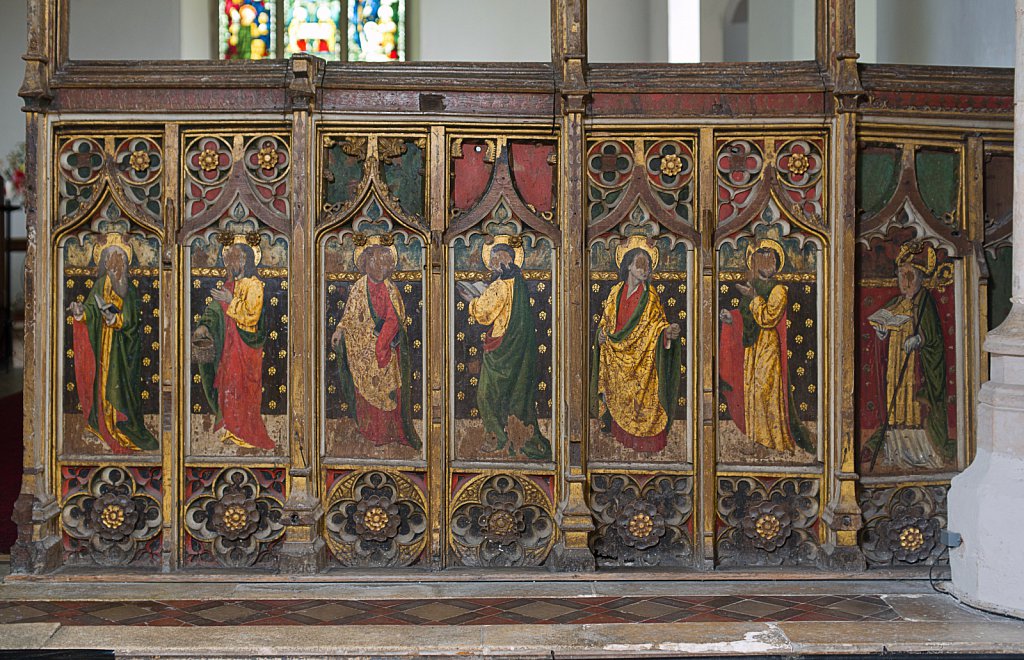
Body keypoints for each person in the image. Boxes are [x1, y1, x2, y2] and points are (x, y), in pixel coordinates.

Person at [458, 235, 551, 460]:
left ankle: (498, 438)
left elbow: (483, 313)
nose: (492, 264)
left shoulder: (500, 286)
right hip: (518, 349)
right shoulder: (518, 284)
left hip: (501, 349)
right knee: (515, 394)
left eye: (495, 260)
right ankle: (517, 437)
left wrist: (470, 300)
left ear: (504, 262)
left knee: (486, 395)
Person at [719, 238, 813, 453]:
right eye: (764, 257)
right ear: (755, 261)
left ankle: (771, 442)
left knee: (766, 391)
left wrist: (753, 297)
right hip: (752, 347)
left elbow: (767, 319)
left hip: (768, 345)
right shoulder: (753, 286)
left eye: (773, 258)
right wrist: (731, 318)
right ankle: (757, 440)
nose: (769, 262)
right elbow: (747, 318)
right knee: (752, 391)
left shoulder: (778, 289)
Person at [865, 241, 953, 468]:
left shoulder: (925, 303)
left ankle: (918, 452)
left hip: (916, 364)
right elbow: (882, 324)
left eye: (910, 276)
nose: (905, 282)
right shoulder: (896, 302)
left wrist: (919, 339)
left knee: (912, 403)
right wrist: (882, 333)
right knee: (895, 401)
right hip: (896, 363)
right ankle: (897, 449)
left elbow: (933, 336)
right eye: (902, 276)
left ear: (920, 278)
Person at [590, 236, 682, 453]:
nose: (645, 270)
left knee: (643, 400)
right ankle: (620, 441)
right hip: (616, 358)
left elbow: (656, 325)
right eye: (640, 265)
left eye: (648, 266)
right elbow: (606, 322)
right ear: (628, 265)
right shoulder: (615, 293)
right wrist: (601, 335)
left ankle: (645, 445)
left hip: (642, 359)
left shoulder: (650, 297)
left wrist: (665, 333)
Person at [70, 234, 158, 453]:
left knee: (125, 387)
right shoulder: (101, 284)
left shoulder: (128, 289)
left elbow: (133, 319)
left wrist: (116, 320)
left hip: (124, 351)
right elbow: (91, 309)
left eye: (120, 258)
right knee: (104, 385)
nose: (115, 263)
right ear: (105, 263)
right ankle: (105, 423)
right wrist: (81, 313)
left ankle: (125, 425)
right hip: (105, 347)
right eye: (111, 258)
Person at [331, 234, 420, 449]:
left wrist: (381, 344)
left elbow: (395, 319)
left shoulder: (390, 289)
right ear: (365, 263)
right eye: (373, 261)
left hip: (385, 350)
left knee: (389, 392)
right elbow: (349, 315)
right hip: (361, 351)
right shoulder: (359, 287)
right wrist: (339, 330)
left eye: (383, 262)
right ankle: (369, 431)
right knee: (364, 392)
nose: (379, 266)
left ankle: (389, 433)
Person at [193, 236, 275, 450]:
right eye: (229, 259)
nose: (232, 263)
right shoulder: (230, 285)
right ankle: (231, 427)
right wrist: (203, 325)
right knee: (229, 383)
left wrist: (231, 300)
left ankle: (246, 430)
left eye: (237, 259)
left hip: (246, 346)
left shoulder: (254, 285)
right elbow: (214, 309)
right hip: (228, 346)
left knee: (245, 385)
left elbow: (252, 316)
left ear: (246, 261)